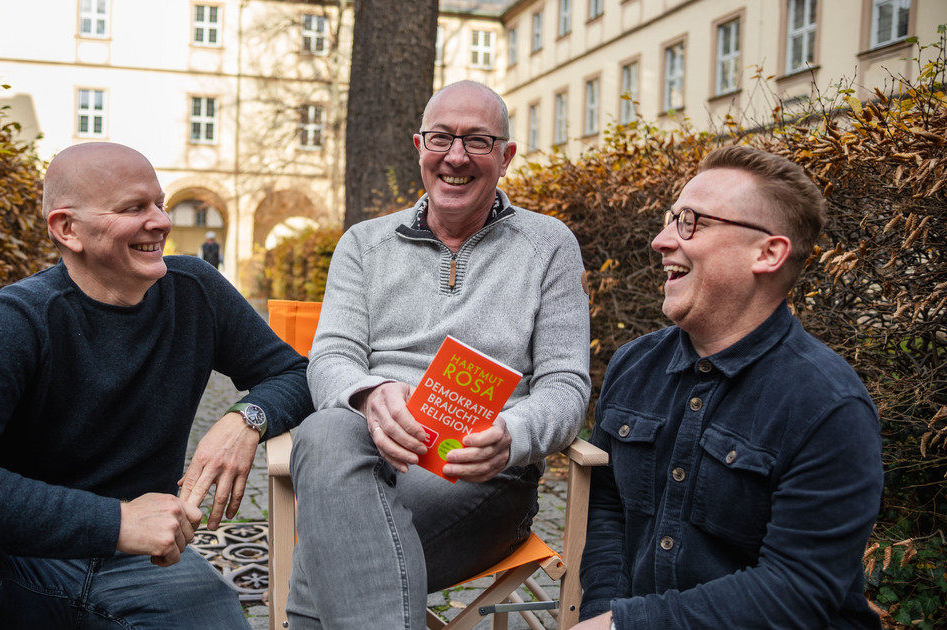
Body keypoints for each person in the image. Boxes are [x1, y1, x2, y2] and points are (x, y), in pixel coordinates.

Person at [0, 142, 314, 628]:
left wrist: (245, 420)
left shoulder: (196, 290)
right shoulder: (21, 317)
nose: (161, 222)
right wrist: (117, 522)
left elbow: (295, 373)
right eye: (134, 208)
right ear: (67, 229)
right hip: (16, 557)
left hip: (143, 565)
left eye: (160, 203)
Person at [285, 80, 592, 628]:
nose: (456, 156)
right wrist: (371, 392)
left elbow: (567, 386)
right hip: (369, 454)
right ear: (418, 146)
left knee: (323, 559)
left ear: (505, 156)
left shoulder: (549, 245)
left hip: (478, 474)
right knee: (324, 431)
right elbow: (331, 356)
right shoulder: (364, 244)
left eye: (477, 141)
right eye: (441, 138)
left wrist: (513, 435)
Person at [575, 146, 883, 630]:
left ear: (768, 253)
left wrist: (627, 625)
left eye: (691, 222)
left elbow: (797, 590)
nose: (660, 240)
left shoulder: (828, 405)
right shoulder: (635, 365)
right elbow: (608, 505)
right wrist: (604, 613)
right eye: (669, 219)